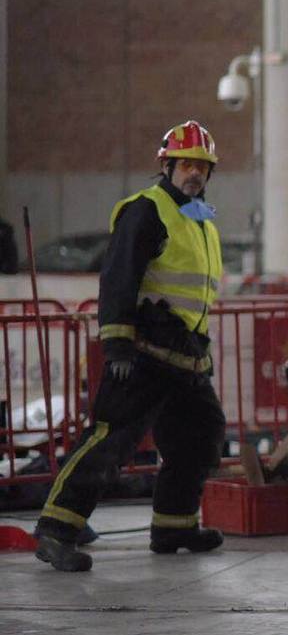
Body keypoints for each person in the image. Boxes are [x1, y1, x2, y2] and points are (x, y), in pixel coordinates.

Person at [33, 120, 228, 572]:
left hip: (186, 357)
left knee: (200, 436)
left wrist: (203, 355)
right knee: (110, 441)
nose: (193, 172)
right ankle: (56, 530)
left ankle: (174, 525)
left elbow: (196, 297)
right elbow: (118, 278)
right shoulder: (146, 210)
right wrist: (117, 344)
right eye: (185, 164)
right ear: (166, 165)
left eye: (201, 165)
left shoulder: (201, 220)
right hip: (142, 355)